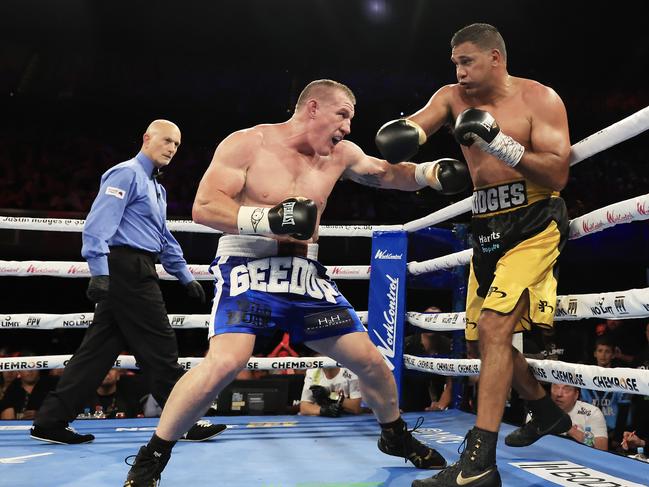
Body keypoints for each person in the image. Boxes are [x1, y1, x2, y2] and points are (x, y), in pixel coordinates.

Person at [123, 79, 470, 485]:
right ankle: (152, 457)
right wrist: (266, 219)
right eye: (342, 115)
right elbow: (203, 207)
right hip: (248, 266)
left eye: (351, 120)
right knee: (227, 361)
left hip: (305, 278)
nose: (347, 127)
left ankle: (394, 435)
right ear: (313, 109)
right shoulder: (249, 143)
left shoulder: (340, 154)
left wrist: (430, 173)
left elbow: (386, 174)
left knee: (372, 363)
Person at [374, 24, 573, 486]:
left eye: (467, 61)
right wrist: (406, 143)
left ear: (496, 59)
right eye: (455, 63)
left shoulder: (540, 99)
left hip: (534, 219)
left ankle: (480, 462)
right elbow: (418, 129)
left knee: (495, 326)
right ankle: (543, 410)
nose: (459, 71)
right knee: (484, 340)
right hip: (483, 226)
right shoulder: (450, 97)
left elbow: (558, 172)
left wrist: (497, 140)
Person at [30, 120, 226, 444]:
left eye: (177, 145)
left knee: (97, 353)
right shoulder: (126, 174)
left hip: (138, 267)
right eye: (166, 141)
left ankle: (50, 421)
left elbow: (163, 238)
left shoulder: (157, 188)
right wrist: (100, 271)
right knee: (160, 346)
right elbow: (97, 224)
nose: (171, 149)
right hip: (126, 269)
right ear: (147, 138)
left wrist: (184, 275)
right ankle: (185, 420)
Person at [546, 384, 608, 450]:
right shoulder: (541, 408)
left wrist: (569, 428)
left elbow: (602, 449)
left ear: (576, 395)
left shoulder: (592, 412)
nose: (559, 394)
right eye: (555, 387)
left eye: (566, 389)